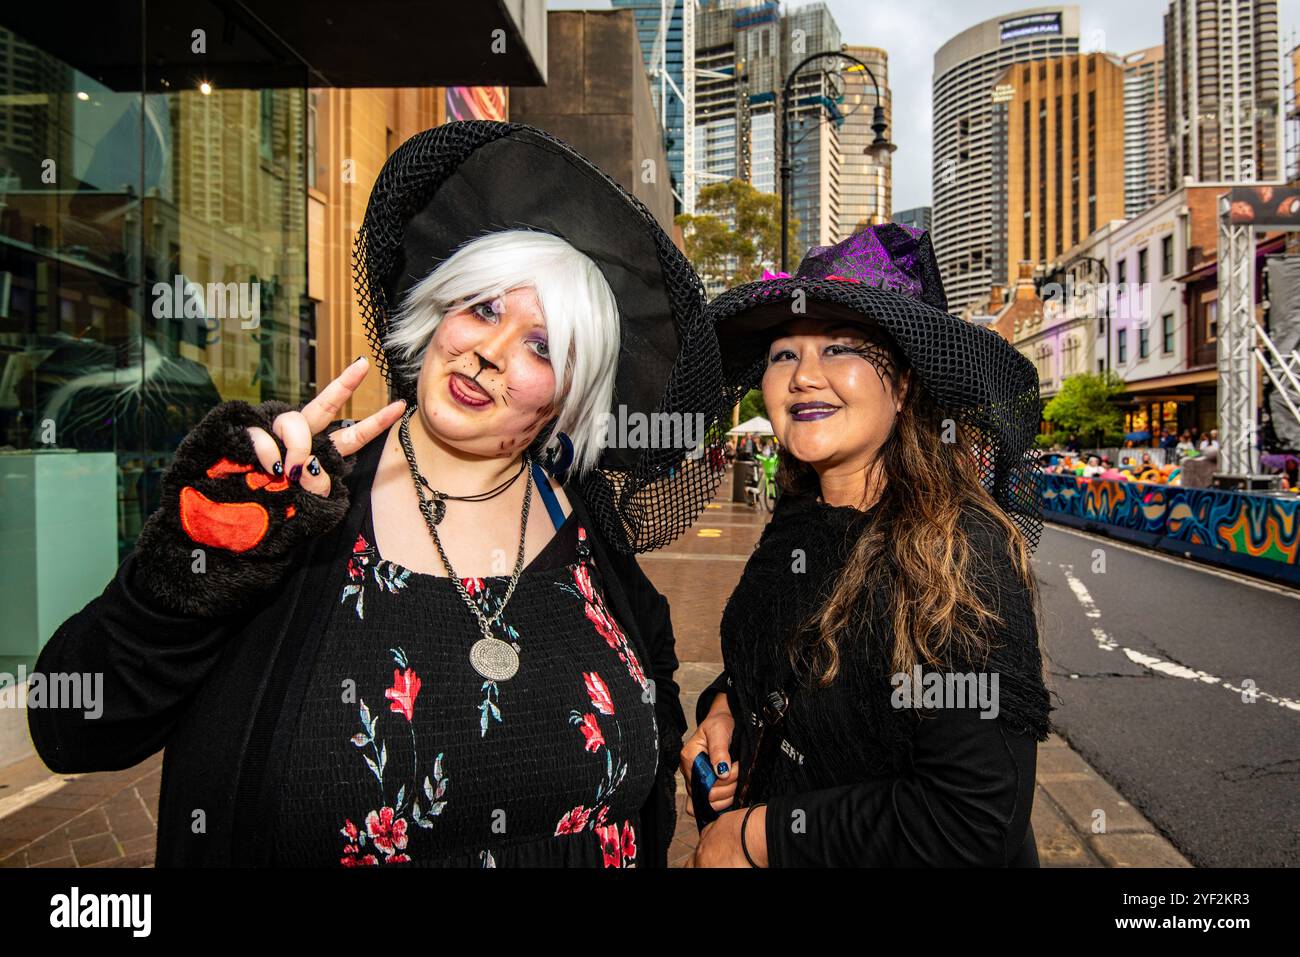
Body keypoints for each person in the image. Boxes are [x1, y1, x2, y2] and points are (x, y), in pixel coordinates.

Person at [28, 122, 732, 868]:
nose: (491, 351)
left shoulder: (591, 536)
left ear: (567, 399)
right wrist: (195, 563)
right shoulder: (297, 503)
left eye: (542, 345)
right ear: (438, 313)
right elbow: (73, 723)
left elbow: (653, 692)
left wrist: (712, 722)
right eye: (484, 308)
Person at [681, 224, 1050, 866]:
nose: (804, 377)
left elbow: (970, 819)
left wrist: (756, 837)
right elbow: (795, 649)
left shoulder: (960, 554)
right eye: (784, 354)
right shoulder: (801, 516)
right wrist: (723, 709)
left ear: (904, 387)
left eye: (842, 349)